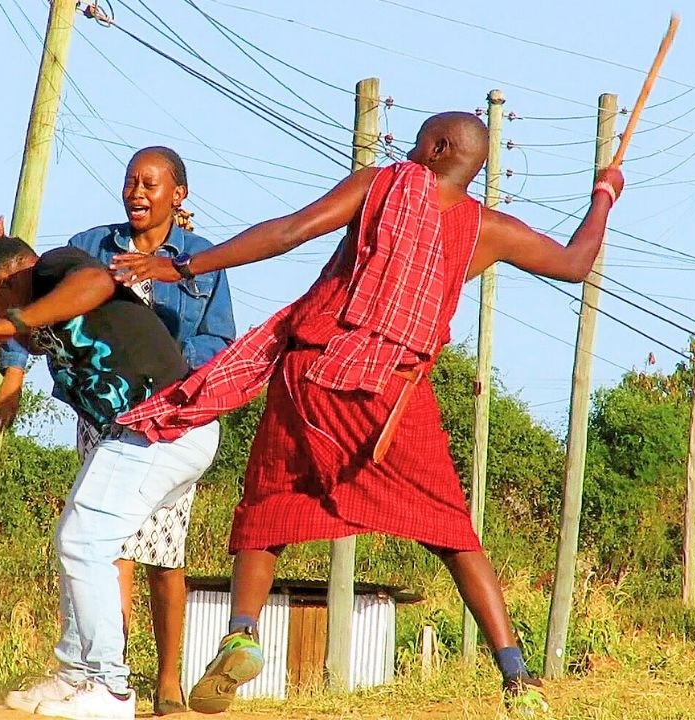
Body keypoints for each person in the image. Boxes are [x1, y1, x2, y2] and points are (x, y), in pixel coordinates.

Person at [113, 111, 626, 716]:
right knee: (452, 531)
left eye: (415, 142)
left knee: (269, 505)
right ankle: (517, 677)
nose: (406, 151)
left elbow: (288, 232)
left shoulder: (380, 185)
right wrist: (604, 193)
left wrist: (185, 265)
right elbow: (573, 262)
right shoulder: (487, 229)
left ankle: (242, 632)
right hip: (392, 392)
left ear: (435, 149)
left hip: (312, 369)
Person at [0, 146, 235, 716]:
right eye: (130, 181)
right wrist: (13, 371)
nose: (137, 192)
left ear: (179, 195)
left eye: (151, 183)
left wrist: (170, 377)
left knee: (154, 551)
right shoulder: (92, 246)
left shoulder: (199, 259)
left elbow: (216, 341)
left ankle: (132, 684)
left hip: (166, 418)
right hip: (105, 419)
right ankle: (81, 673)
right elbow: (41, 301)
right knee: (91, 542)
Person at [0, 229, 221, 720]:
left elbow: (95, 282)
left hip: (161, 426)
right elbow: (43, 332)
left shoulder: (53, 267)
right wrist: (18, 327)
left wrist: (15, 319)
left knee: (83, 542)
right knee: (79, 539)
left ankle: (110, 687)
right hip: (146, 432)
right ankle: (75, 674)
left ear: (13, 282)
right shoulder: (42, 299)